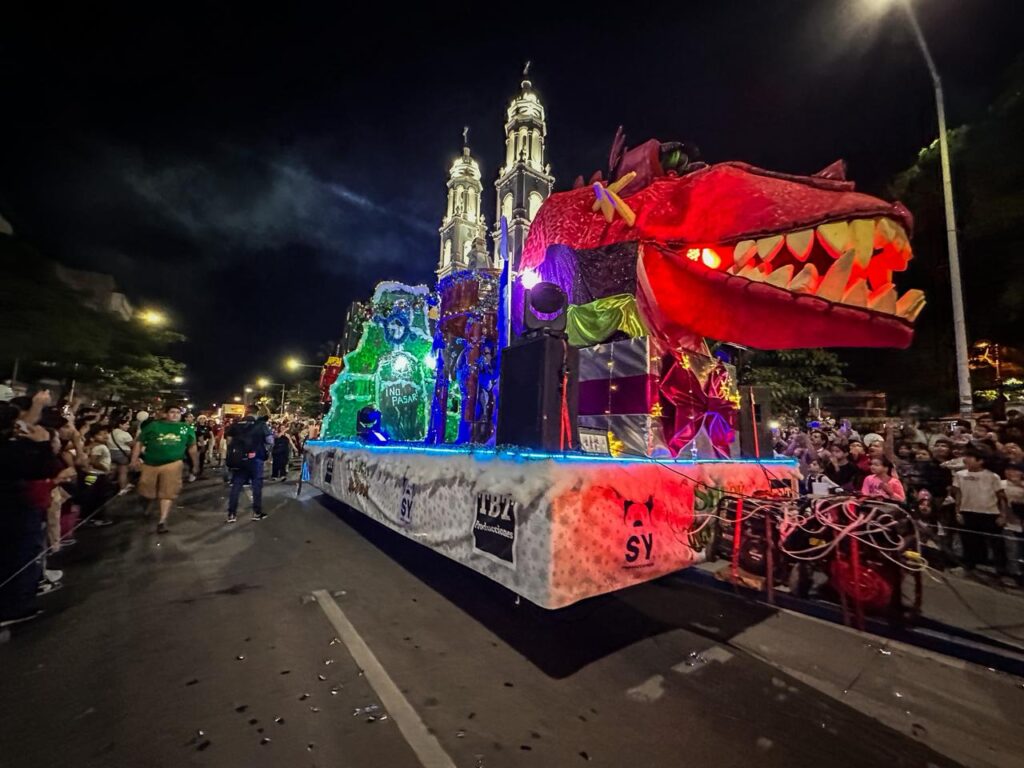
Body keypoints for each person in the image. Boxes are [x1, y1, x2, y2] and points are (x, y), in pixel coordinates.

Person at [130, 406, 198, 534]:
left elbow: (192, 447)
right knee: (146, 490)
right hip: (150, 463)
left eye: (178, 413)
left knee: (167, 492)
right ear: (165, 414)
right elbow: (139, 443)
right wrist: (134, 459)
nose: (175, 415)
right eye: (172, 412)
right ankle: (147, 507)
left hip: (173, 464)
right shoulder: (153, 426)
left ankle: (162, 521)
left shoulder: (186, 428)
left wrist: (195, 464)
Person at [953, 448, 1010, 581]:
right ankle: (969, 566)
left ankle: (1001, 571)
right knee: (969, 541)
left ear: (981, 461)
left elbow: (1001, 497)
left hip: (990, 513)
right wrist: (957, 511)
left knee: (996, 543)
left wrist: (1003, 515)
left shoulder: (992, 476)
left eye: (970, 457)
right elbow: (958, 494)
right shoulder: (959, 475)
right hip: (967, 511)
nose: (966, 459)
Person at [225, 406, 273, 523]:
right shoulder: (260, 425)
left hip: (239, 459)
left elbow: (229, 441)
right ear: (257, 413)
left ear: (245, 412)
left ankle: (231, 514)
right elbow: (270, 441)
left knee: (236, 485)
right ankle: (257, 512)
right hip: (255, 458)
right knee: (256, 485)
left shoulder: (236, 424)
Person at [108, 415, 134, 493]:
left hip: (110, 453)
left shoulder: (110, 433)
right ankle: (123, 487)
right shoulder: (125, 434)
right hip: (122, 455)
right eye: (126, 424)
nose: (128, 426)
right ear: (120, 424)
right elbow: (132, 444)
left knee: (113, 471)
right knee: (123, 471)